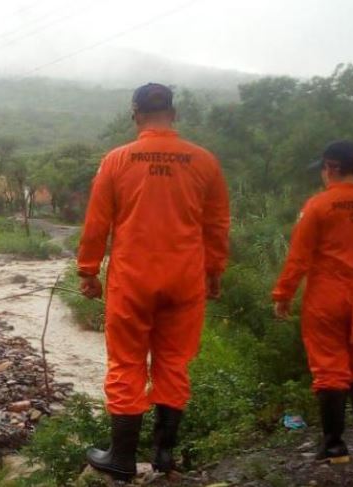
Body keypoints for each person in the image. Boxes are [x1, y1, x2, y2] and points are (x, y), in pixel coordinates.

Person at [77, 82, 230, 480]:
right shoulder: (204, 161)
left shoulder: (117, 160)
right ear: (173, 115)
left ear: (136, 114)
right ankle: (164, 457)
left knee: (127, 363)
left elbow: (97, 223)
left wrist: (88, 270)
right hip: (185, 279)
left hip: (133, 279)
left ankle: (122, 459)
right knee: (174, 363)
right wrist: (214, 271)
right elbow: (216, 225)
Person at [272, 141, 353, 463]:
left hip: (327, 295)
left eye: (324, 169)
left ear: (332, 168)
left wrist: (283, 294)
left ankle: (334, 446)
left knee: (329, 367)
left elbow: (299, 257)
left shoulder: (319, 206)